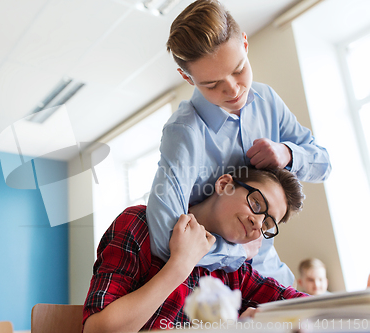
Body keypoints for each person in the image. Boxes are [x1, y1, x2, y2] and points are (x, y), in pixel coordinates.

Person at [146, 0, 331, 287]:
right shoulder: (184, 133)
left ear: (244, 44)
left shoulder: (267, 100)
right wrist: (235, 252)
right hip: (219, 288)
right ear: (187, 77)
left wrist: (287, 154)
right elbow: (163, 238)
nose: (233, 89)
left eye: (239, 68)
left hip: (274, 275)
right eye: (211, 83)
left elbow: (324, 164)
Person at [83, 168, 308, 332]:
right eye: (257, 205)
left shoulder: (235, 269)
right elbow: (97, 330)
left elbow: (303, 304)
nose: (258, 223)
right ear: (224, 185)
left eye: (267, 224)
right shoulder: (140, 224)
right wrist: (180, 264)